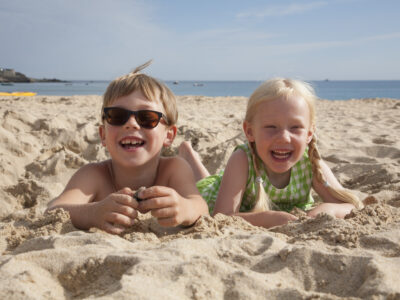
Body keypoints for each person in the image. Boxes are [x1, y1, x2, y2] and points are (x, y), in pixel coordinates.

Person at [47, 61, 209, 234]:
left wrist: (184, 208)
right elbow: (53, 210)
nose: (131, 124)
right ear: (103, 135)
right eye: (117, 116)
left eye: (147, 117)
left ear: (168, 136)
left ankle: (189, 153)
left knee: (205, 182)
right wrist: (93, 212)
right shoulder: (94, 175)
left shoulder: (174, 168)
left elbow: (201, 207)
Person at [179, 78, 363, 228]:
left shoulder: (310, 163)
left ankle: (189, 153)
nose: (283, 137)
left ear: (309, 133)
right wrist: (268, 218)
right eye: (271, 127)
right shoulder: (243, 159)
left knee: (209, 177)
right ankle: (188, 152)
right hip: (216, 193)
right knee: (203, 183)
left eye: (295, 127)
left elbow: (350, 206)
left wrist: (327, 210)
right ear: (250, 132)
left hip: (233, 184)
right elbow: (222, 216)